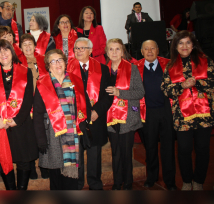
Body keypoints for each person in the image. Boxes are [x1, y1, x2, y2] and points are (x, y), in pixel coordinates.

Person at [0, 40, 38, 190]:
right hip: (0, 125)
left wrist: (17, 120)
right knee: (4, 160)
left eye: (6, 50)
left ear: (12, 52)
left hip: (20, 124)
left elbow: (28, 100)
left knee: (24, 160)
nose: (3, 54)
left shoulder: (25, 71)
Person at [161, 31, 214, 191]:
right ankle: (186, 180)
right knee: (184, 149)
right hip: (181, 117)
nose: (184, 46)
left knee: (203, 148)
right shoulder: (170, 66)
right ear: (175, 46)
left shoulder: (206, 61)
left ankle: (198, 181)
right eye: (180, 43)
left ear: (193, 45)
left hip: (204, 115)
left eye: (188, 43)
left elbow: (211, 83)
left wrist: (197, 83)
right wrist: (181, 86)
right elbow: (165, 89)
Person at [33, 49, 88, 190]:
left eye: (60, 60)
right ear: (48, 65)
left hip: (73, 133)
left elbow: (84, 105)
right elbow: (38, 114)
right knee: (56, 176)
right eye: (53, 61)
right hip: (52, 134)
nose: (57, 63)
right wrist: (41, 139)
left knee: (71, 178)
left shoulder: (76, 80)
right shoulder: (42, 83)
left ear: (65, 62)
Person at [66, 37, 113, 190]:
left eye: (82, 48)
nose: (79, 51)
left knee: (94, 155)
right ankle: (77, 185)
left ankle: (95, 185)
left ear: (91, 50)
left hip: (95, 118)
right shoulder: (67, 69)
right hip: (75, 118)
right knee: (77, 155)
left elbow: (108, 95)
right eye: (76, 48)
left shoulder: (103, 69)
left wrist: (97, 111)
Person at [136, 40, 176, 190]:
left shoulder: (169, 64)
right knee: (150, 147)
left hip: (167, 111)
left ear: (158, 50)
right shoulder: (136, 67)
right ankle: (151, 177)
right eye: (146, 48)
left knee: (168, 147)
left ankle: (170, 180)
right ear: (142, 52)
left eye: (153, 48)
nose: (150, 51)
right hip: (147, 112)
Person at [105, 38, 144, 190]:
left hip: (127, 117)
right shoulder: (103, 70)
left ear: (123, 51)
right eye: (111, 49)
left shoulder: (132, 69)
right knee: (115, 153)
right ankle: (116, 182)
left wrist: (119, 92)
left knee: (126, 153)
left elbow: (140, 93)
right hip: (110, 118)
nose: (114, 52)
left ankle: (127, 183)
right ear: (107, 52)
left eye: (117, 49)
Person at [19, 33, 49, 180]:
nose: (28, 47)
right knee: (29, 138)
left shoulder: (44, 60)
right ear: (20, 48)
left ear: (35, 46)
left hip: (44, 102)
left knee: (43, 135)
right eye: (24, 44)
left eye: (30, 44)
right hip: (26, 103)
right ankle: (31, 168)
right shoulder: (17, 62)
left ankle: (45, 166)